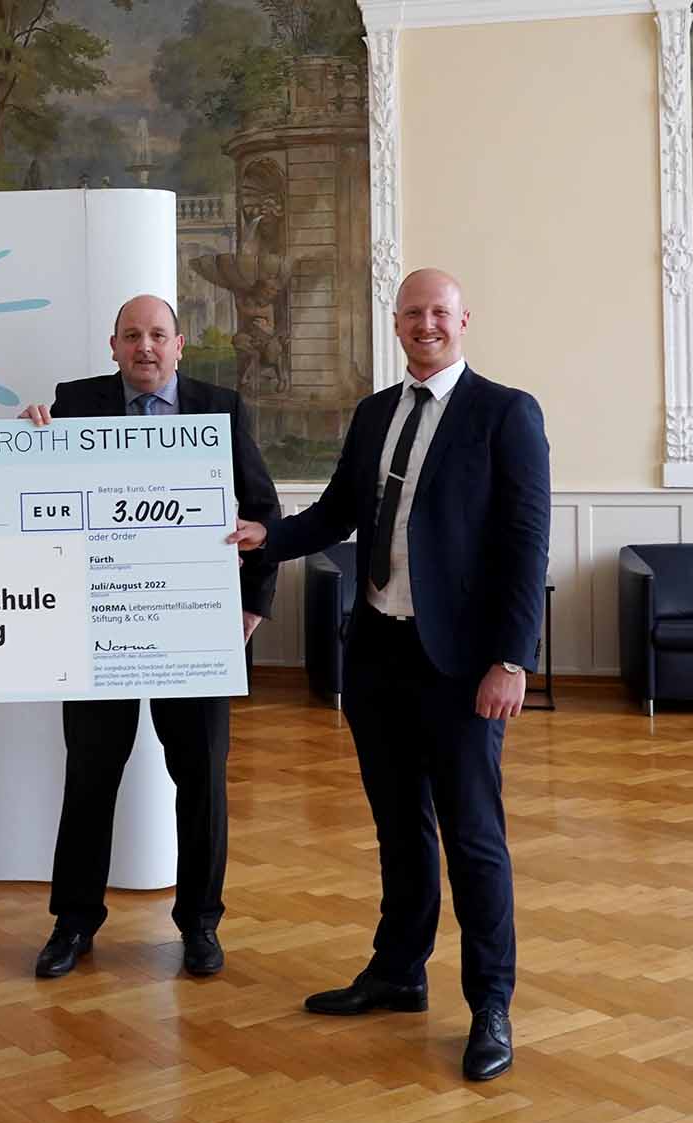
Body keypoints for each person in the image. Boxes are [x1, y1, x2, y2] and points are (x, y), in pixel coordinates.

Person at [228, 269, 550, 1081]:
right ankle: (399, 971)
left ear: (463, 320)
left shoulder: (506, 413)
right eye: (413, 313)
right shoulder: (375, 413)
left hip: (463, 664)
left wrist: (512, 658)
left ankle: (491, 1006)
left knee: (475, 839)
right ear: (397, 323)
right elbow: (336, 513)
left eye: (439, 312)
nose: (426, 324)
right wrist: (262, 536)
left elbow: (525, 543)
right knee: (399, 828)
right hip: (376, 654)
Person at [21, 293, 280, 980]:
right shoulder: (72, 404)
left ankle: (199, 924)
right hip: (101, 634)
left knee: (200, 783)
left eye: (157, 335)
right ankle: (73, 924)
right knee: (90, 780)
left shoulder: (219, 408)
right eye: (131, 336)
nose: (145, 347)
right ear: (113, 346)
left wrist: (252, 609)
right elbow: (34, 496)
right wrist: (24, 440)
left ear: (180, 343)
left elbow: (261, 509)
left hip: (191, 634)